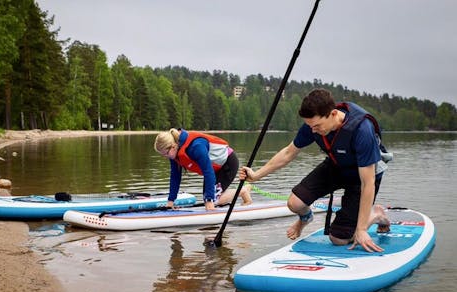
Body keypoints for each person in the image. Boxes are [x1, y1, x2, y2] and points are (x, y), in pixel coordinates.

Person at [240, 89, 391, 252]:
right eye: (310, 126)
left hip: (362, 176)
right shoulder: (313, 125)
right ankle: (305, 218)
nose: (313, 130)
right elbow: (288, 153)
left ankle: (375, 214)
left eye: (317, 126)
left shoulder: (362, 130)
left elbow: (368, 183)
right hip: (336, 165)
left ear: (333, 114)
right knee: (294, 203)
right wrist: (256, 175)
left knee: (339, 239)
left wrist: (361, 230)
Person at [154, 128, 252, 211]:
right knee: (209, 198)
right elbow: (175, 177)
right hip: (214, 169)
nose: (165, 157)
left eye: (165, 154)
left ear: (173, 146)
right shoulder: (174, 153)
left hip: (227, 163)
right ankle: (238, 191)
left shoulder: (196, 147)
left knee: (213, 200)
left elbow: (208, 172)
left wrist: (209, 201)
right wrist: (170, 202)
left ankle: (243, 191)